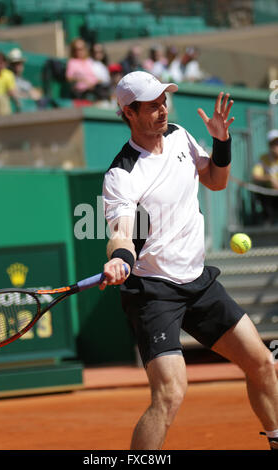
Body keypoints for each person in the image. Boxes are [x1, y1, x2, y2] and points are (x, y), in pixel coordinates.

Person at [100, 70, 278, 450]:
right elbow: (121, 234)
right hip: (154, 291)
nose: (162, 110)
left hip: (198, 282)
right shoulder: (121, 174)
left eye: (164, 101)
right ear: (129, 113)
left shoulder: (180, 135)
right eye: (152, 106)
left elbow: (215, 180)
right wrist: (118, 259)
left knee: (262, 362)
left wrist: (221, 143)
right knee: (170, 394)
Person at [252, 129, 278, 225]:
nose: (276, 147)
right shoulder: (263, 159)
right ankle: (268, 220)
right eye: (274, 144)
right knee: (262, 192)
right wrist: (270, 179)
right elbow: (255, 176)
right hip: (270, 194)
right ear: (269, 146)